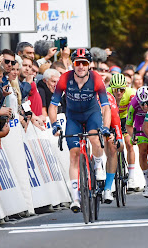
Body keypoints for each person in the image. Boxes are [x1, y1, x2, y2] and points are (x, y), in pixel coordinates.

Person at [49, 48, 111, 212]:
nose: (81, 66)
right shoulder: (65, 78)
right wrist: (54, 123)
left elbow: (105, 107)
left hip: (92, 114)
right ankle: (75, 197)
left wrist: (105, 127)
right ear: (73, 65)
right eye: (78, 63)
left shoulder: (96, 79)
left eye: (84, 63)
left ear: (89, 65)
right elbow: (53, 105)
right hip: (74, 117)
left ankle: (98, 166)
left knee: (93, 137)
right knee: (74, 153)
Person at [106, 73, 138, 192]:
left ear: (126, 88)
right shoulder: (106, 93)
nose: (119, 93)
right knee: (111, 148)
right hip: (111, 120)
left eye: (121, 90)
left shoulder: (131, 93)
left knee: (129, 144)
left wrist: (133, 130)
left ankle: (131, 177)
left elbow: (133, 112)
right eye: (116, 90)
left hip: (125, 119)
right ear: (111, 88)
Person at [126, 86, 148, 197]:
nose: (145, 106)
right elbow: (128, 125)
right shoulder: (133, 104)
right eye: (142, 104)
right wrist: (133, 136)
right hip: (140, 123)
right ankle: (147, 183)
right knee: (143, 152)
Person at [102, 91, 124, 203]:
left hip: (108, 123)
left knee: (112, 148)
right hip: (90, 121)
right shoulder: (83, 97)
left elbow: (116, 123)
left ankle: (108, 188)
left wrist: (118, 139)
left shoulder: (109, 98)